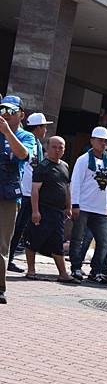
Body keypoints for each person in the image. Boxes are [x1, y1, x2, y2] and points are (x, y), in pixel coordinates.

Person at [22, 136, 79, 284]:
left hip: (58, 212)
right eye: (54, 147)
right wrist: (35, 211)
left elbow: (66, 187)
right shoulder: (43, 166)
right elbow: (35, 190)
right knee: (33, 240)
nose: (58, 150)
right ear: (47, 147)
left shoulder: (65, 166)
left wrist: (68, 206)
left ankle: (63, 273)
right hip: (43, 209)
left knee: (57, 243)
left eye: (61, 147)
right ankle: (31, 270)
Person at [68, 126, 107, 283]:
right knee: (78, 238)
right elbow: (75, 183)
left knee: (104, 241)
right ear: (92, 141)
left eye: (105, 141)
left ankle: (95, 271)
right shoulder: (83, 160)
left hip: (100, 209)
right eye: (100, 140)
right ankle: (75, 267)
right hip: (84, 206)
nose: (103, 144)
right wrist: (74, 204)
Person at [0, 95, 36, 304]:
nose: (6, 114)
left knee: (2, 243)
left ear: (21, 114)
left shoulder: (26, 136)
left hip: (8, 195)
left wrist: (7, 133)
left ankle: (0, 287)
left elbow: (23, 155)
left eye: (11, 111)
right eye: (3, 110)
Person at [8, 112, 52, 273]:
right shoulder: (25, 140)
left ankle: (9, 258)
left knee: (19, 229)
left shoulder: (39, 146)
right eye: (44, 127)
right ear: (37, 128)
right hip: (20, 190)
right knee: (11, 228)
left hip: (30, 193)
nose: (46, 130)